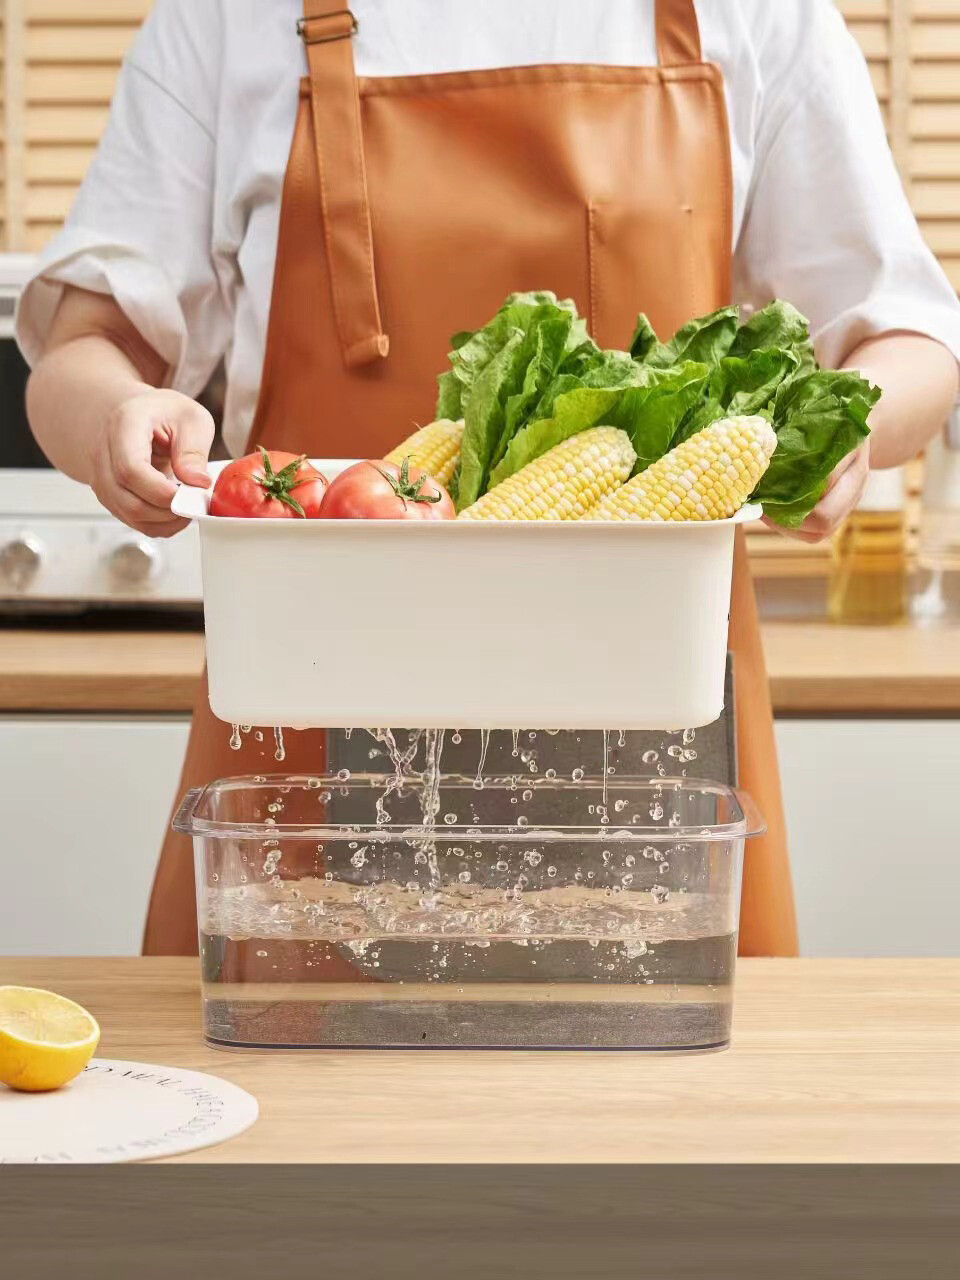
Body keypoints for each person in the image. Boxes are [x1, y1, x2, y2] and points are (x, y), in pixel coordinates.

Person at [18, 0, 960, 956]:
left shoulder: (758, 16)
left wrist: (847, 427)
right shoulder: (226, 18)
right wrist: (112, 417)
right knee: (289, 1070)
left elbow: (913, 340)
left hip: (656, 714)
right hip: (308, 703)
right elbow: (82, 349)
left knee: (670, 1079)